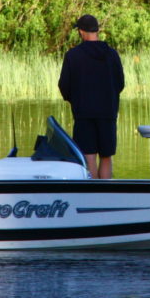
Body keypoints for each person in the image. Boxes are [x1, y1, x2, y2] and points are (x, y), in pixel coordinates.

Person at [58, 14, 125, 179]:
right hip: (107, 112)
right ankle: (106, 196)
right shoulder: (112, 54)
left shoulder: (73, 55)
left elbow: (64, 85)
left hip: (83, 113)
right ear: (97, 30)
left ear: (81, 31)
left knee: (89, 157)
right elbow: (120, 83)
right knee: (106, 156)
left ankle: (92, 195)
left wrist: (74, 100)